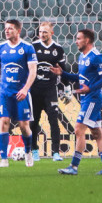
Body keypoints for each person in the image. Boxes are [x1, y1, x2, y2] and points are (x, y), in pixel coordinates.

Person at [57, 28, 102, 176]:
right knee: (97, 133)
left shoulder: (97, 57)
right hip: (86, 99)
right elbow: (80, 77)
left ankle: (74, 166)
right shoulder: (82, 56)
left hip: (93, 99)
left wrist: (90, 89)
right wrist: (62, 73)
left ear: (87, 40)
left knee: (78, 129)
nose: (76, 41)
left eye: (78, 39)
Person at [0, 19, 37, 168]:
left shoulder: (27, 48)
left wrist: (25, 89)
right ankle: (4, 159)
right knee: (3, 123)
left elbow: (33, 71)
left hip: (20, 94)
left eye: (10, 28)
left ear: (18, 30)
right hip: (4, 93)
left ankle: (28, 152)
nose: (6, 31)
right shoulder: (0, 48)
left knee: (24, 126)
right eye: (5, 28)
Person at [30, 21, 67, 163]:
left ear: (52, 33)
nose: (42, 34)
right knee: (33, 122)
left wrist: (67, 87)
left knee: (53, 120)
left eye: (45, 32)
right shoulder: (33, 47)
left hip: (50, 90)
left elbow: (63, 69)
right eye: (40, 32)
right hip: (34, 90)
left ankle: (56, 153)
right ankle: (34, 150)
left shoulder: (58, 49)